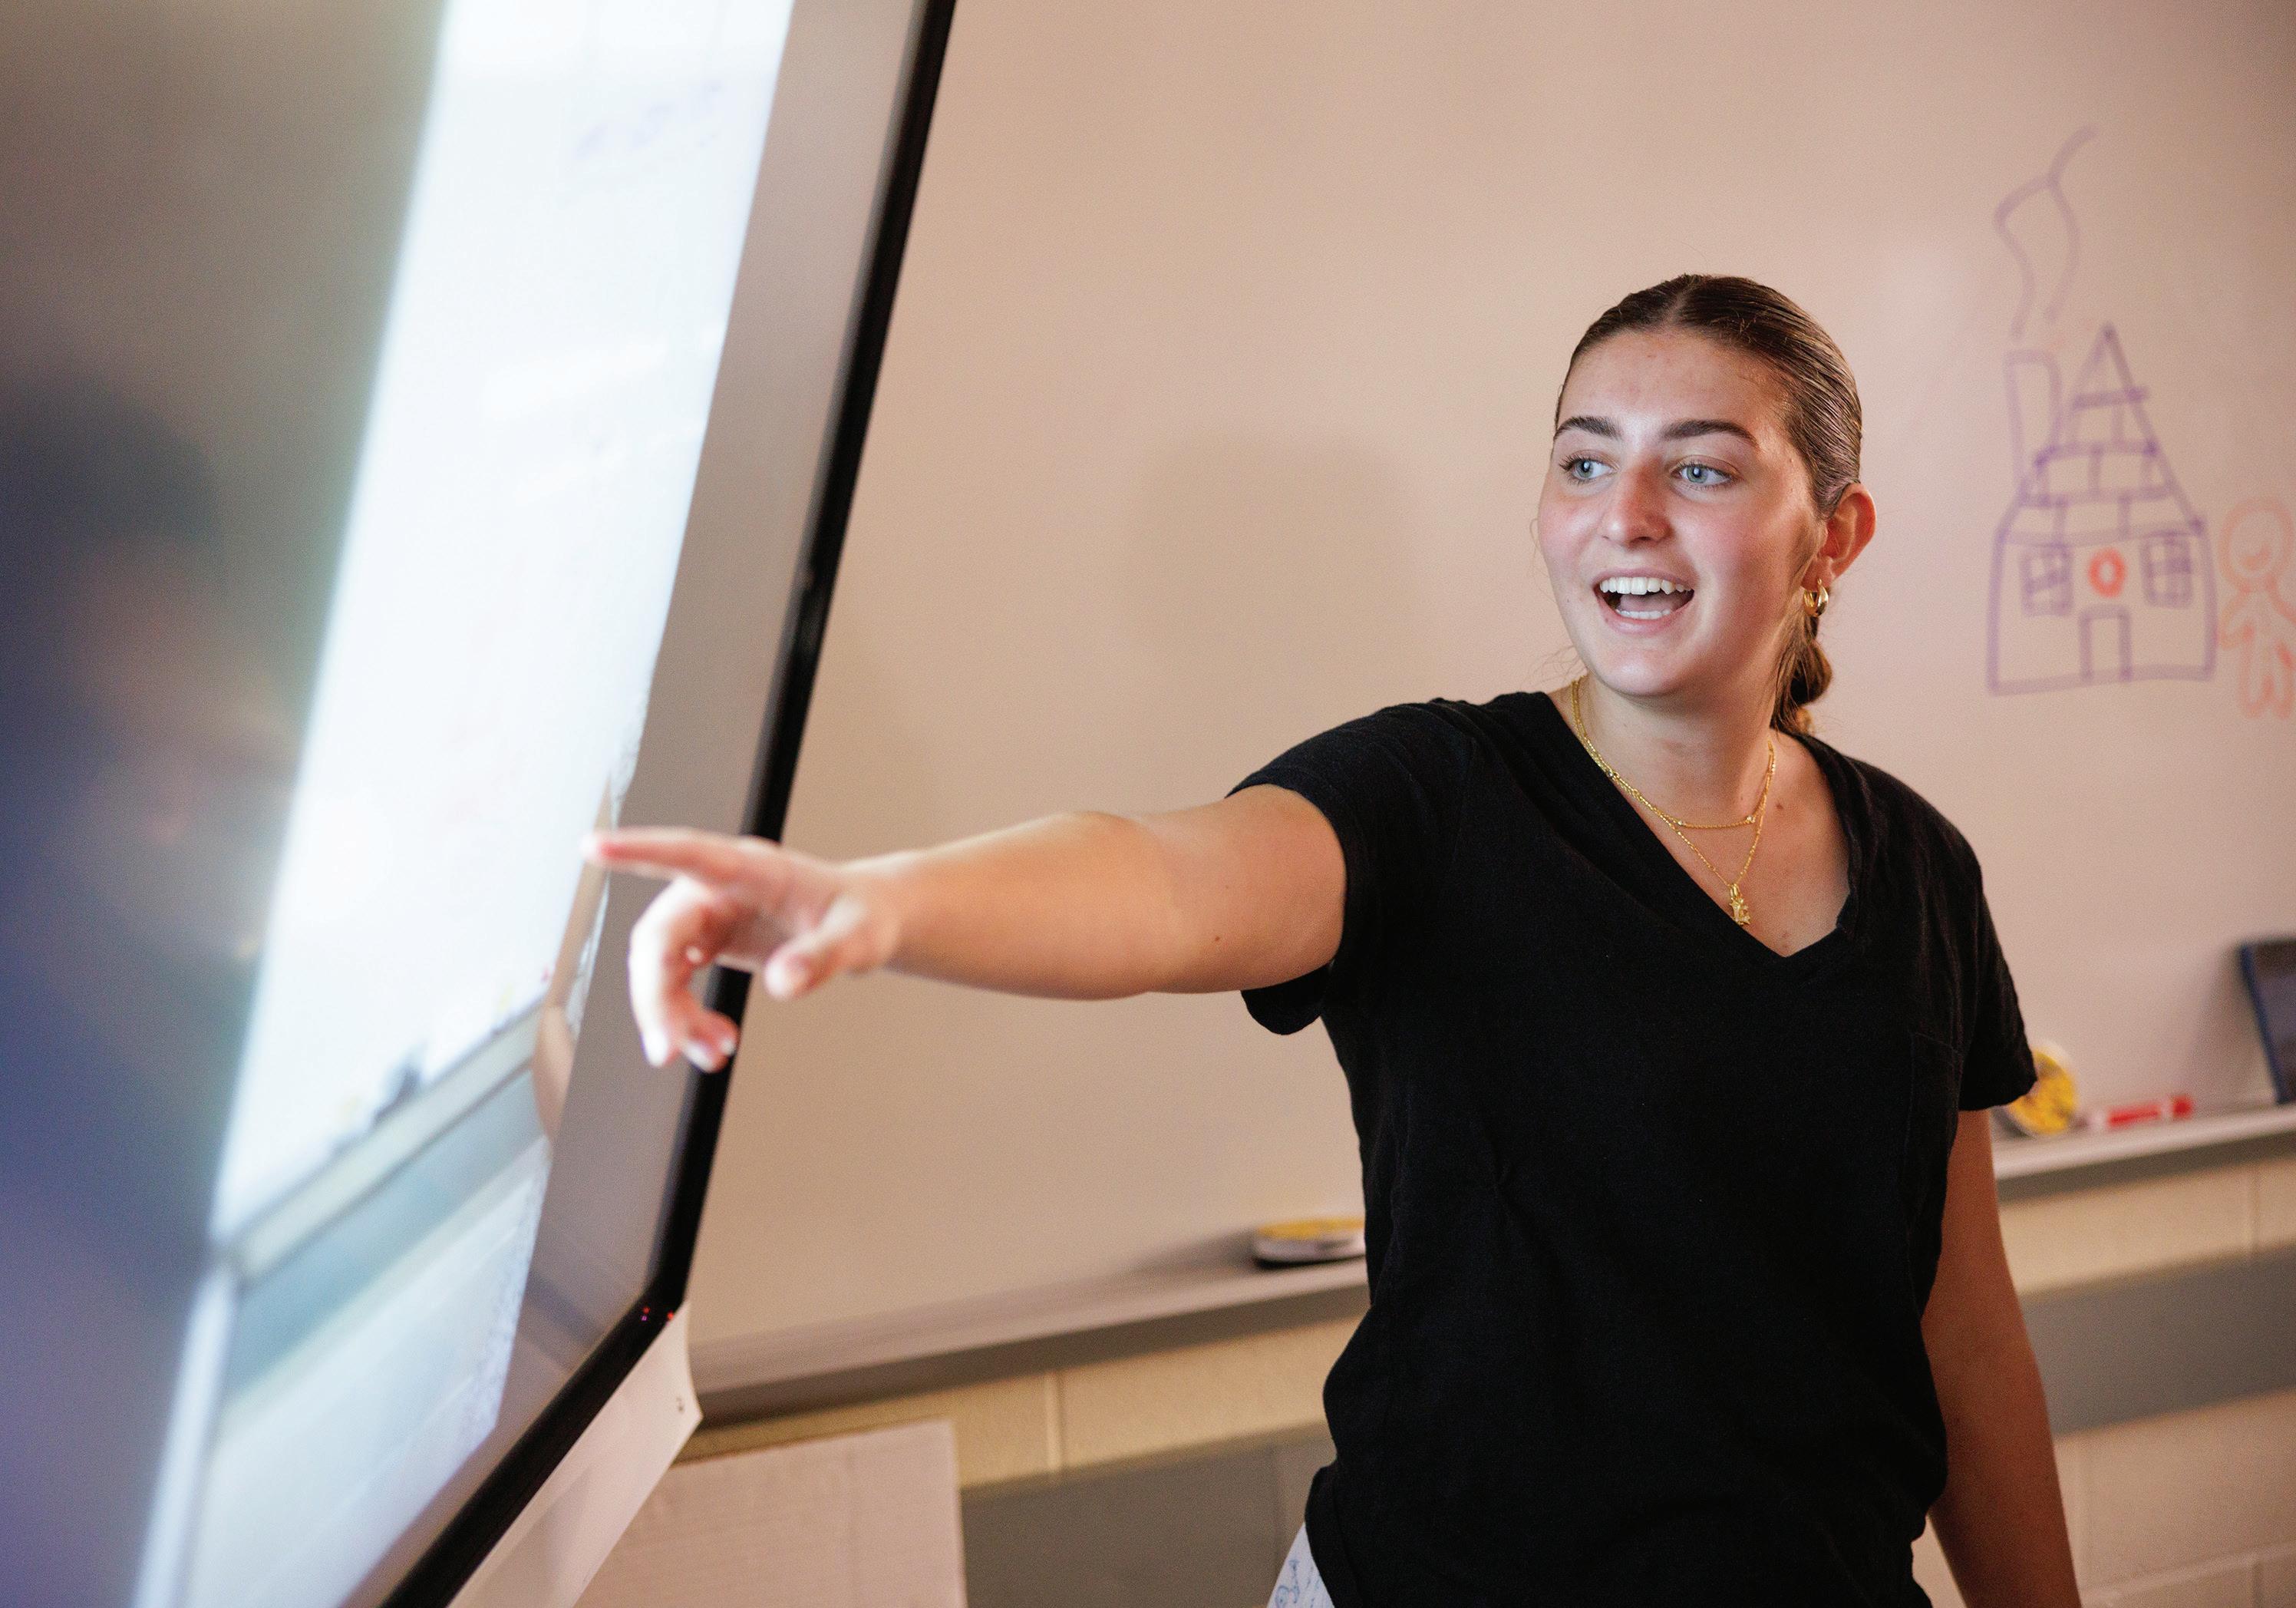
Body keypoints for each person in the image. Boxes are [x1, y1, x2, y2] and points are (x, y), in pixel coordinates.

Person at [584, 274, 2080, 1606]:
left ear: (1833, 535)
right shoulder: (1433, 797)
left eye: (1699, 467)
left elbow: (1962, 1335)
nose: (1623, 516)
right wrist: (875, 900)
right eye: (1582, 461)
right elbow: (1158, 880)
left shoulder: (1920, 869)